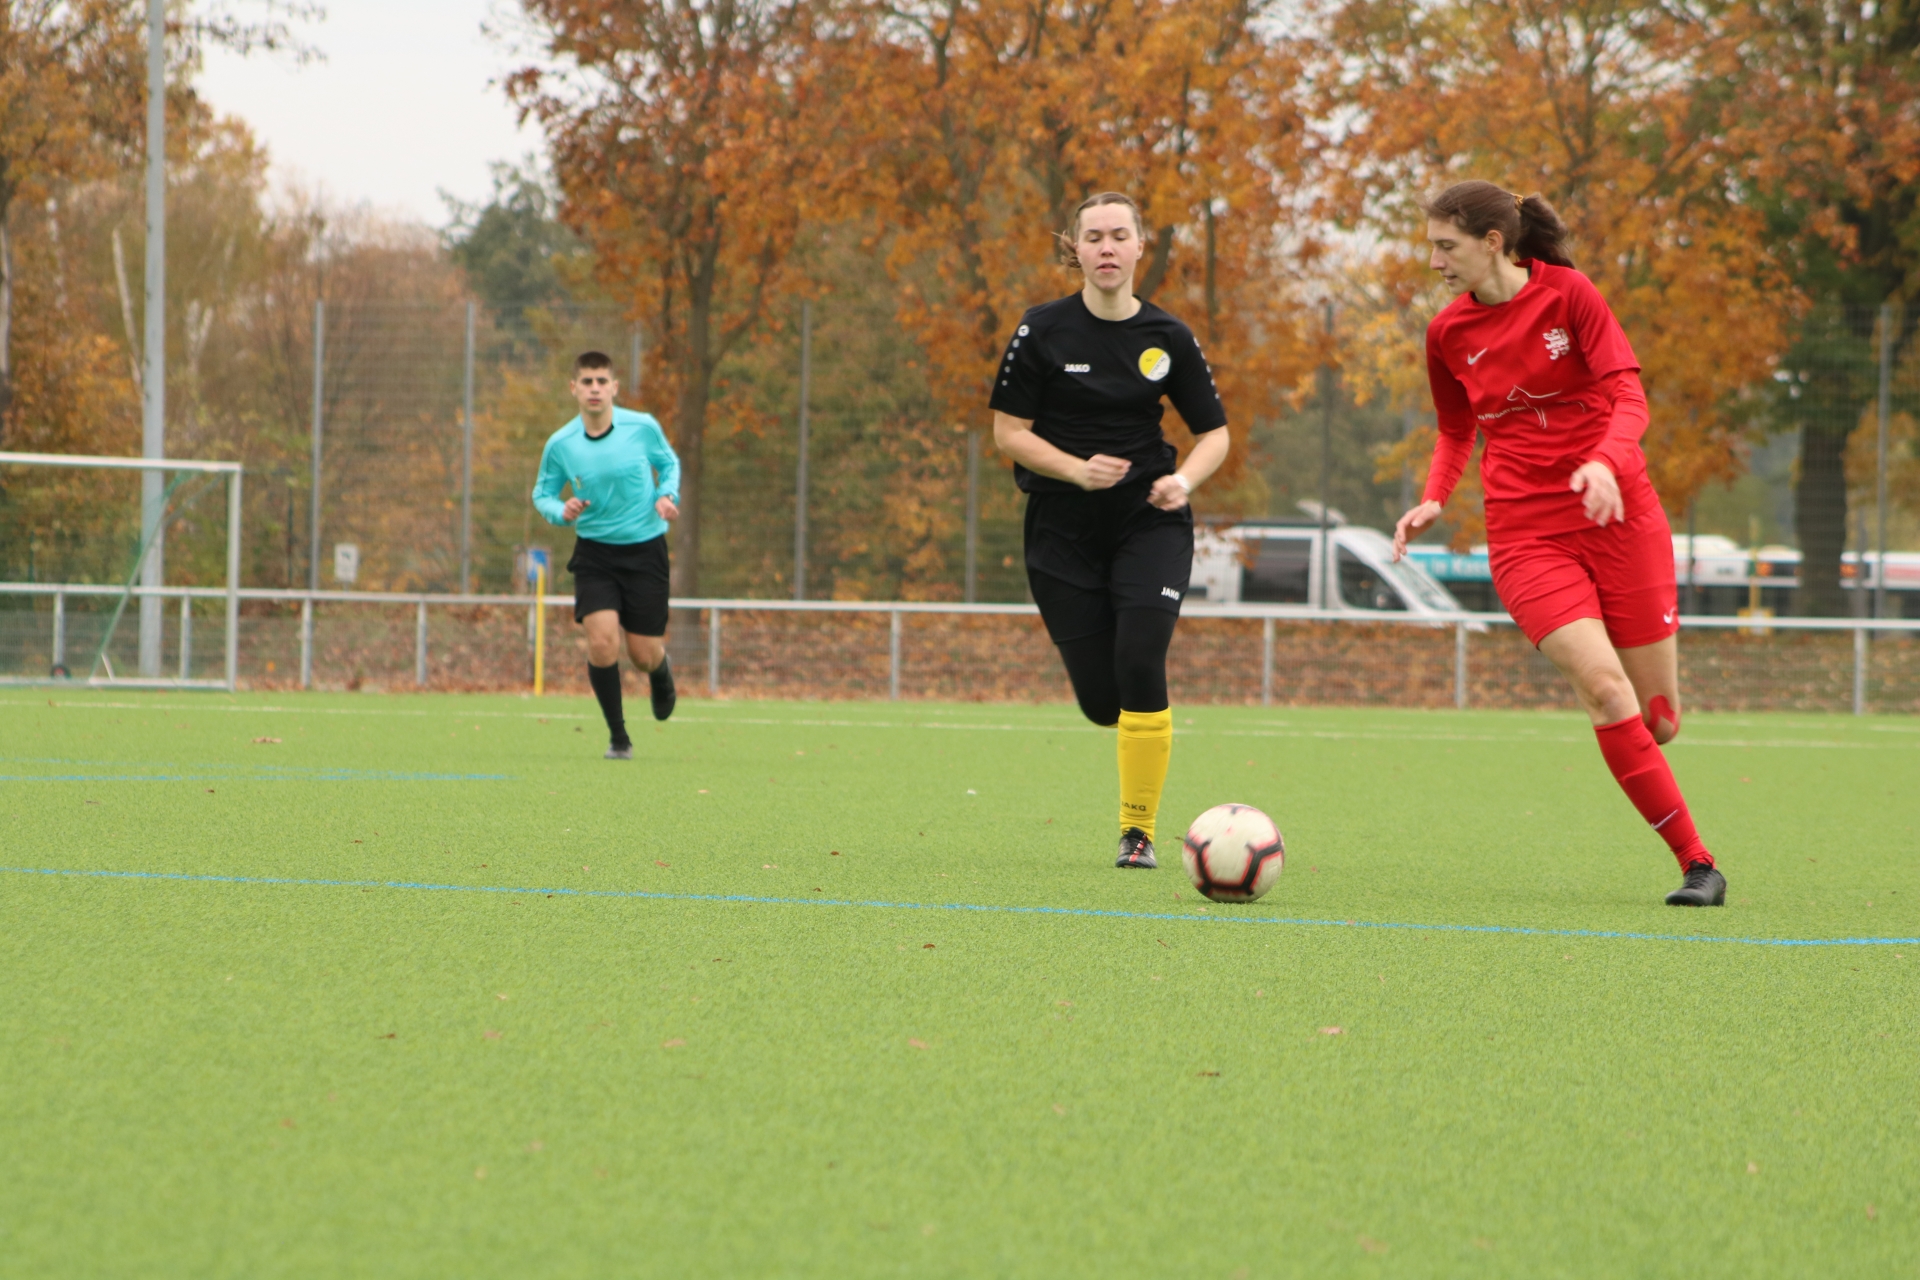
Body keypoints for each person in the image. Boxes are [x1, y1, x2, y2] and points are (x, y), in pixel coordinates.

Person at [1391, 181, 1725, 906]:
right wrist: (1434, 498)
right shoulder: (1446, 333)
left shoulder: (1570, 295)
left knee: (1658, 721)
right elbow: (1456, 429)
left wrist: (1603, 463)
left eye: (1446, 247)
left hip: (1621, 516)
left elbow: (1629, 396)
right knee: (1604, 689)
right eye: (1431, 248)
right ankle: (1698, 863)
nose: (1435, 262)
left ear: (1492, 243)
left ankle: (1649, 744)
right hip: (1526, 535)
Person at [990, 192, 1231, 870]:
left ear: (1138, 247)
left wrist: (1184, 481)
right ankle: (1128, 749)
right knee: (1104, 703)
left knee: (1142, 658)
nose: (1106, 247)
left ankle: (1138, 834)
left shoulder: (1169, 336)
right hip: (1061, 529)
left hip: (1147, 520)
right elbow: (1008, 433)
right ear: (1075, 248)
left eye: (1119, 235)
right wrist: (1075, 470)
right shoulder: (1041, 330)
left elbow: (1215, 435)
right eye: (1093, 236)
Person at [532, 351, 682, 759]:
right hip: (595, 554)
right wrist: (560, 511)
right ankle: (619, 738)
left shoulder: (642, 427)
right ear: (574, 389)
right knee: (601, 644)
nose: (594, 389)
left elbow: (669, 464)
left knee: (642, 654)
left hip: (645, 550)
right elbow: (543, 494)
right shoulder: (561, 444)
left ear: (614, 387)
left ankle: (660, 669)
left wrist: (667, 495)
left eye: (602, 381)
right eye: (587, 382)